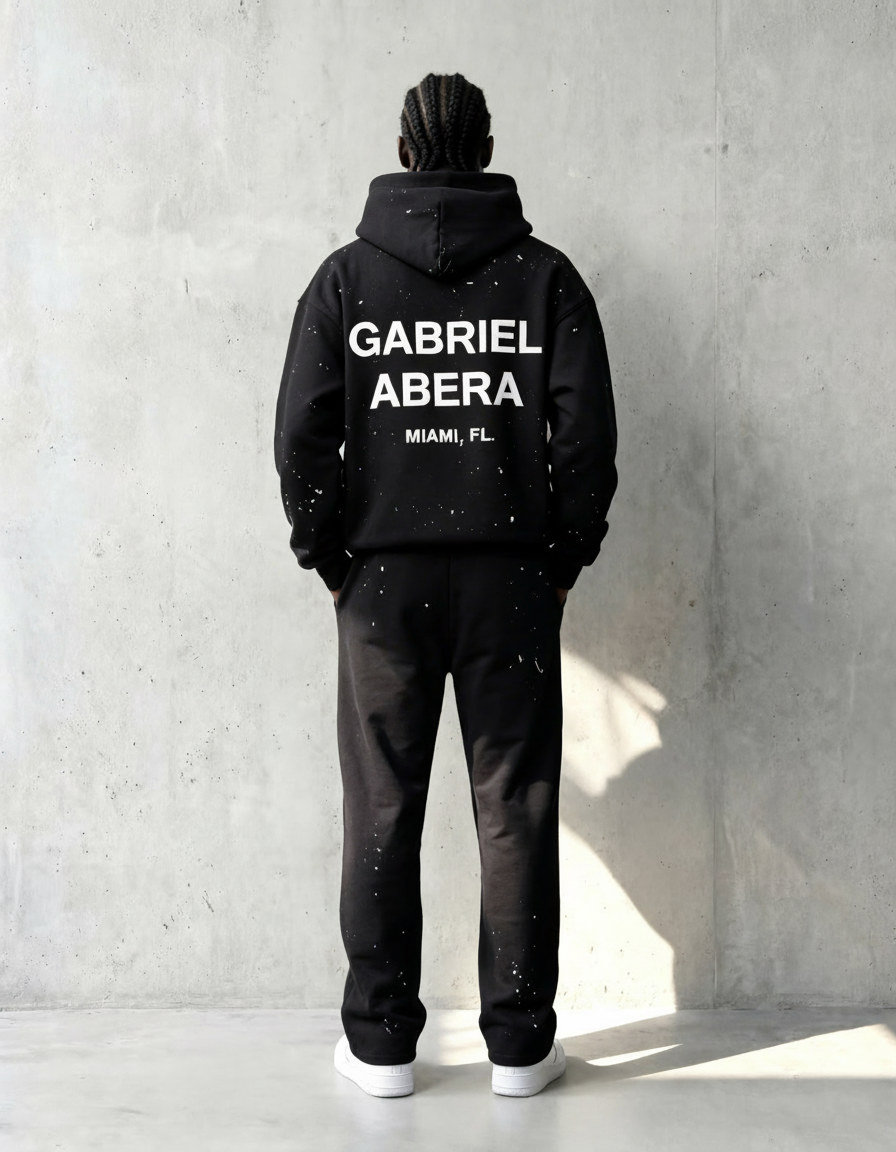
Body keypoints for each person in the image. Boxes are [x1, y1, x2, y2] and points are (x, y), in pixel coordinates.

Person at [274, 72, 617, 1098]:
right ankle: (518, 1046)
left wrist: (329, 554)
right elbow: (584, 440)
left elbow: (302, 436)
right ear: (484, 147)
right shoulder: (544, 280)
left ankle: (381, 1048)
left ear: (404, 147)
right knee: (512, 804)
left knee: (383, 805)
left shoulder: (344, 284)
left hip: (381, 585)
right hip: (508, 580)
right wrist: (561, 557)